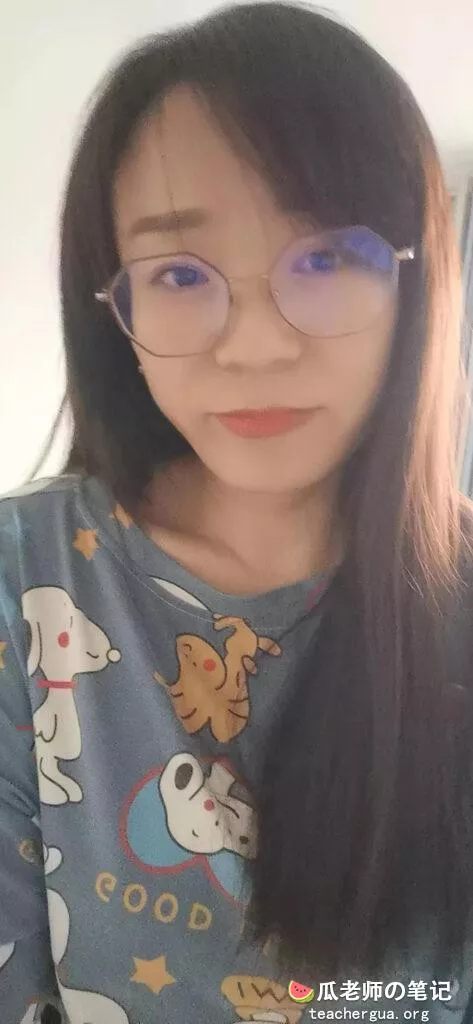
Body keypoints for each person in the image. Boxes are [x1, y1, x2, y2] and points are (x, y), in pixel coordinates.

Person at [1, 2, 473, 1021]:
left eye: (325, 258)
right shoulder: (21, 580)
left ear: (415, 284)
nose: (254, 346)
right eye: (178, 273)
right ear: (112, 303)